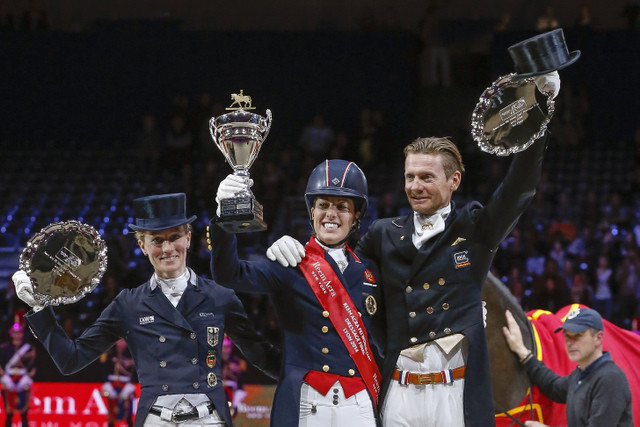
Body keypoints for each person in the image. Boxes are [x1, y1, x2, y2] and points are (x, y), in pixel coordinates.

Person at [266, 73, 561, 426]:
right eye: (410, 177)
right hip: (399, 391)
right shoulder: (382, 233)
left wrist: (541, 110)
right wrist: (296, 248)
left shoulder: (475, 228)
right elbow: (340, 275)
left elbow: (519, 189)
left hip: (456, 391)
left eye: (426, 177)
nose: (415, 186)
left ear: (454, 181)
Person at [12, 192, 280, 427]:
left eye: (174, 237)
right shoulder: (128, 304)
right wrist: (38, 307)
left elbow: (261, 356)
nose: (167, 248)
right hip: (155, 420)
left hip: (209, 419)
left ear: (188, 238)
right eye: (157, 240)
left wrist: (310, 371)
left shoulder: (220, 297)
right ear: (142, 246)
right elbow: (71, 360)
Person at [209, 160, 383, 427]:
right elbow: (229, 273)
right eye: (323, 205)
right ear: (311, 210)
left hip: (359, 404)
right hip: (307, 402)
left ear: (357, 215)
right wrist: (225, 217)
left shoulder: (370, 271)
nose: (331, 214)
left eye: (341, 207)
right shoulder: (291, 262)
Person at [502, 307, 633, 426]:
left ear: (598, 338)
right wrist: (522, 351)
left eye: (578, 336)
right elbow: (553, 386)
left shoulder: (610, 379)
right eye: (567, 336)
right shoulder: (581, 375)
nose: (570, 342)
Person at [0, 313, 36, 427]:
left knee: (24, 412)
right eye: (15, 332)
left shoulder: (29, 349)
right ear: (11, 333)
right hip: (8, 379)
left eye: (19, 332)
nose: (17, 335)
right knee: (9, 411)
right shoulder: (4, 348)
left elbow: (33, 367)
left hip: (23, 380)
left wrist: (28, 376)